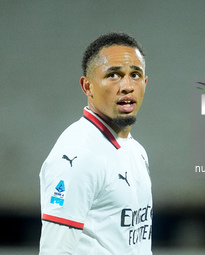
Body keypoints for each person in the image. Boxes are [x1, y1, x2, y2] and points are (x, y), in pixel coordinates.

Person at [39, 32, 153, 254]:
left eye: (135, 75)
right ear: (87, 86)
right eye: (114, 75)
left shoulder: (135, 150)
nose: (127, 86)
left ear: (145, 83)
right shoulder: (78, 155)